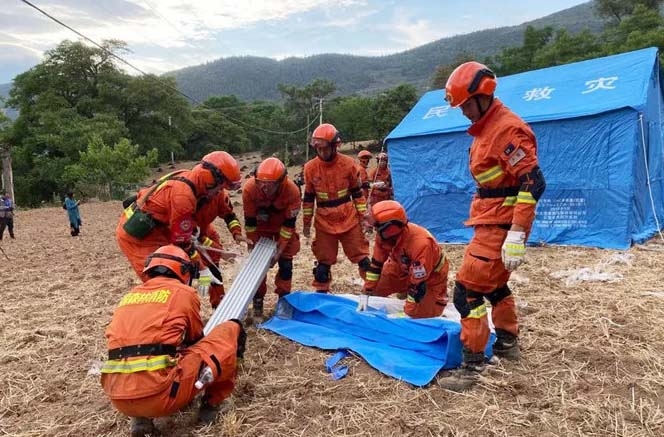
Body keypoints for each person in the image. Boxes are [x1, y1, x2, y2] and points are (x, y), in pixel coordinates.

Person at [440, 61, 546, 389]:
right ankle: (508, 343)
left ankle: (472, 367)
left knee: (467, 293)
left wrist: (516, 233)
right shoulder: (486, 128)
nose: (463, 112)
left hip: (501, 225)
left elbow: (533, 182)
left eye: (466, 105)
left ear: (483, 96)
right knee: (495, 287)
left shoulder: (506, 130)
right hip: (491, 220)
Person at [100, 245, 246, 436]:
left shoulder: (129, 296)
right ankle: (212, 406)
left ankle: (141, 418)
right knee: (230, 332)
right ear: (184, 271)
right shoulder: (183, 293)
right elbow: (195, 340)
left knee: (145, 354)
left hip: (119, 398)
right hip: (160, 396)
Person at [116, 151, 242, 282]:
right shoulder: (183, 198)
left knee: (180, 270)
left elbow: (194, 235)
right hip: (141, 237)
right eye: (219, 188)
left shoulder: (196, 187)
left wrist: (223, 250)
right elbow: (183, 242)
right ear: (209, 179)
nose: (219, 192)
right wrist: (203, 269)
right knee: (161, 278)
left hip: (163, 229)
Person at [302, 123, 371, 293]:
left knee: (362, 258)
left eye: (325, 148)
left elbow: (357, 194)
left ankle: (374, 289)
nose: (322, 153)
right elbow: (309, 199)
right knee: (323, 264)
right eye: (319, 149)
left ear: (335, 146)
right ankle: (321, 293)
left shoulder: (348, 164)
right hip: (324, 221)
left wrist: (364, 217)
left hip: (348, 217)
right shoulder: (310, 168)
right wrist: (306, 223)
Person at [360, 200, 449, 318]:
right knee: (376, 289)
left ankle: (411, 299)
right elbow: (376, 265)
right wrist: (367, 291)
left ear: (389, 228)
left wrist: (408, 313)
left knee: (424, 316)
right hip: (400, 267)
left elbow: (418, 284)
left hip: (430, 277)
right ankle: (403, 291)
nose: (375, 231)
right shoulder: (384, 236)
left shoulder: (421, 244)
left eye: (377, 227)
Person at [242, 157, 301, 321]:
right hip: (262, 230)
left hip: (282, 228)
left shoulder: (292, 191)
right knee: (257, 267)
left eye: (270, 184)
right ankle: (258, 303)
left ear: (281, 181)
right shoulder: (249, 189)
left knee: (286, 265)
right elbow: (250, 222)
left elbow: (289, 225)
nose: (265, 187)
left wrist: (279, 250)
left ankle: (284, 301)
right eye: (261, 182)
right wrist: (252, 246)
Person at [194, 187, 247, 308]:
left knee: (213, 269)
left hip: (205, 232)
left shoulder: (220, 194)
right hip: (187, 237)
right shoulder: (187, 200)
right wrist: (222, 253)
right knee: (195, 270)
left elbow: (229, 215)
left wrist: (237, 233)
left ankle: (218, 304)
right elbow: (196, 237)